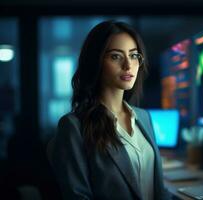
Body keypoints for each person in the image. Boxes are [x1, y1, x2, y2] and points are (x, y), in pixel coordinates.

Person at [47, 20, 171, 200]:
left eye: (134, 56)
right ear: (96, 62)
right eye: (116, 56)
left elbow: (158, 188)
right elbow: (78, 196)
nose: (128, 65)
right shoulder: (73, 126)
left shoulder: (144, 117)